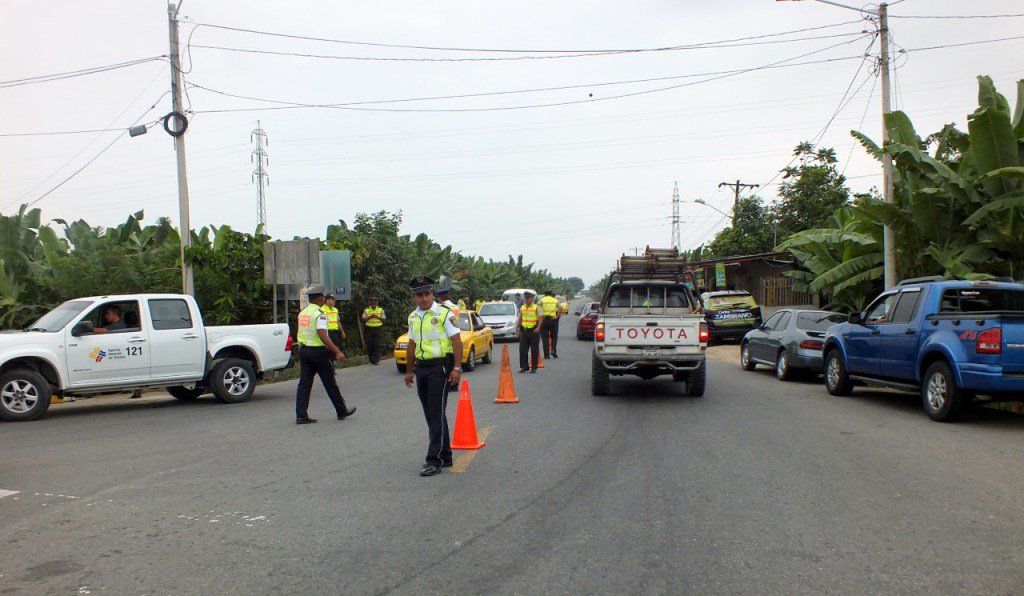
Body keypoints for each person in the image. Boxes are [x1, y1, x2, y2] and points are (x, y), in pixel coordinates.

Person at [403, 276, 463, 477]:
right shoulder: (413, 317)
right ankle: (445, 455)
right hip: (422, 368)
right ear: (414, 297)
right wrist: (410, 371)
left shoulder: (444, 314)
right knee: (432, 414)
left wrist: (456, 368)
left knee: (436, 413)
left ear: (432, 294)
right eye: (419, 295)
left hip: (440, 367)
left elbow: (456, 340)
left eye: (426, 294)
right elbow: (411, 345)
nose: (423, 299)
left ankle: (433, 460)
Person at [294, 285, 356, 425]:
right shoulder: (320, 314)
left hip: (304, 352)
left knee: (304, 384)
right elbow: (323, 335)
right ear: (321, 299)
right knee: (330, 383)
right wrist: (337, 351)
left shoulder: (302, 313)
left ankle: (301, 415)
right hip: (319, 353)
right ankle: (341, 411)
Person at [518, 291, 541, 373]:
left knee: (534, 350)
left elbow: (541, 317)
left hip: (533, 331)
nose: (527, 299)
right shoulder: (522, 307)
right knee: (522, 350)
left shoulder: (536, 307)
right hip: (524, 330)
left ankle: (534, 367)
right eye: (526, 298)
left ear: (532, 298)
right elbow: (520, 318)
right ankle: (524, 367)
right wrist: (517, 328)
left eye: (528, 298)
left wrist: (538, 327)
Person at [321, 294, 347, 361]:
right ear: (327, 300)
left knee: (334, 350)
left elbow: (338, 321)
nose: (334, 301)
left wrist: (342, 331)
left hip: (335, 332)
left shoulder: (335, 310)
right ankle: (329, 367)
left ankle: (332, 368)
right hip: (326, 332)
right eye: (333, 299)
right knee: (327, 350)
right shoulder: (322, 310)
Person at [361, 296, 386, 365]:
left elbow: (384, 319)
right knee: (370, 344)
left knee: (377, 344)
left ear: (377, 303)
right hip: (369, 329)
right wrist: (370, 316)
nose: (374, 304)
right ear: (370, 303)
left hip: (378, 328)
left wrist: (377, 317)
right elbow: (363, 319)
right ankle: (371, 359)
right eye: (372, 303)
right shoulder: (366, 310)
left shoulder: (380, 310)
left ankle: (376, 359)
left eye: (375, 302)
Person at [539, 290, 561, 359]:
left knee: (545, 338)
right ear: (551, 294)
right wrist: (557, 316)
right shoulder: (555, 300)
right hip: (553, 320)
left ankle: (546, 355)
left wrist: (540, 315)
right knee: (554, 336)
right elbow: (561, 307)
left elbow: (537, 306)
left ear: (544, 294)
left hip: (544, 320)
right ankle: (553, 350)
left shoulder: (542, 300)